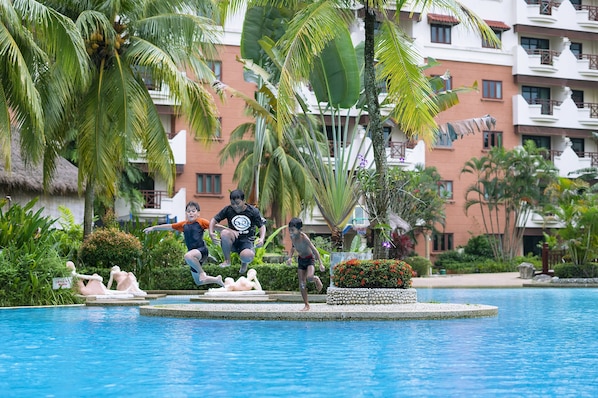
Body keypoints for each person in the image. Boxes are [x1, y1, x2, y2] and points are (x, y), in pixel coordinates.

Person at [144, 201, 225, 288]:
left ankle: (202, 273)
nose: (191, 213)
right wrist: (153, 228)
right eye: (188, 211)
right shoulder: (183, 224)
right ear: (186, 213)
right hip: (193, 257)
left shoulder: (201, 222)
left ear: (198, 213)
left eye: (193, 211)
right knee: (199, 282)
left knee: (187, 256)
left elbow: (216, 227)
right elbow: (169, 226)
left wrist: (230, 232)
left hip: (201, 251)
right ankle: (217, 279)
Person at [209, 189, 266, 275]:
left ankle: (244, 263)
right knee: (224, 233)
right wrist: (211, 233)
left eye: (238, 203)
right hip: (233, 239)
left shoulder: (253, 211)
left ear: (244, 201)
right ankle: (227, 261)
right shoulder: (228, 209)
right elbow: (213, 220)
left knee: (247, 256)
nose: (235, 206)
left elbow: (261, 226)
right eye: (233, 204)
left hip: (247, 241)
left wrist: (261, 239)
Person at [286, 217, 325, 311]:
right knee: (302, 284)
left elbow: (314, 250)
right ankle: (306, 305)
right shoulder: (292, 237)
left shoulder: (304, 238)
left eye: (292, 230)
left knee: (310, 277)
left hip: (309, 259)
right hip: (301, 260)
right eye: (289, 230)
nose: (290, 232)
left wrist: (320, 263)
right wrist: (290, 258)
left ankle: (316, 279)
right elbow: (293, 248)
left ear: (299, 230)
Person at [66, 261, 133, 298]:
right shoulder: (73, 274)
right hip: (85, 291)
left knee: (96, 277)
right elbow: (86, 277)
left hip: (84, 289)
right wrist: (97, 278)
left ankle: (122, 292)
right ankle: (123, 292)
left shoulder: (71, 275)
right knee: (96, 277)